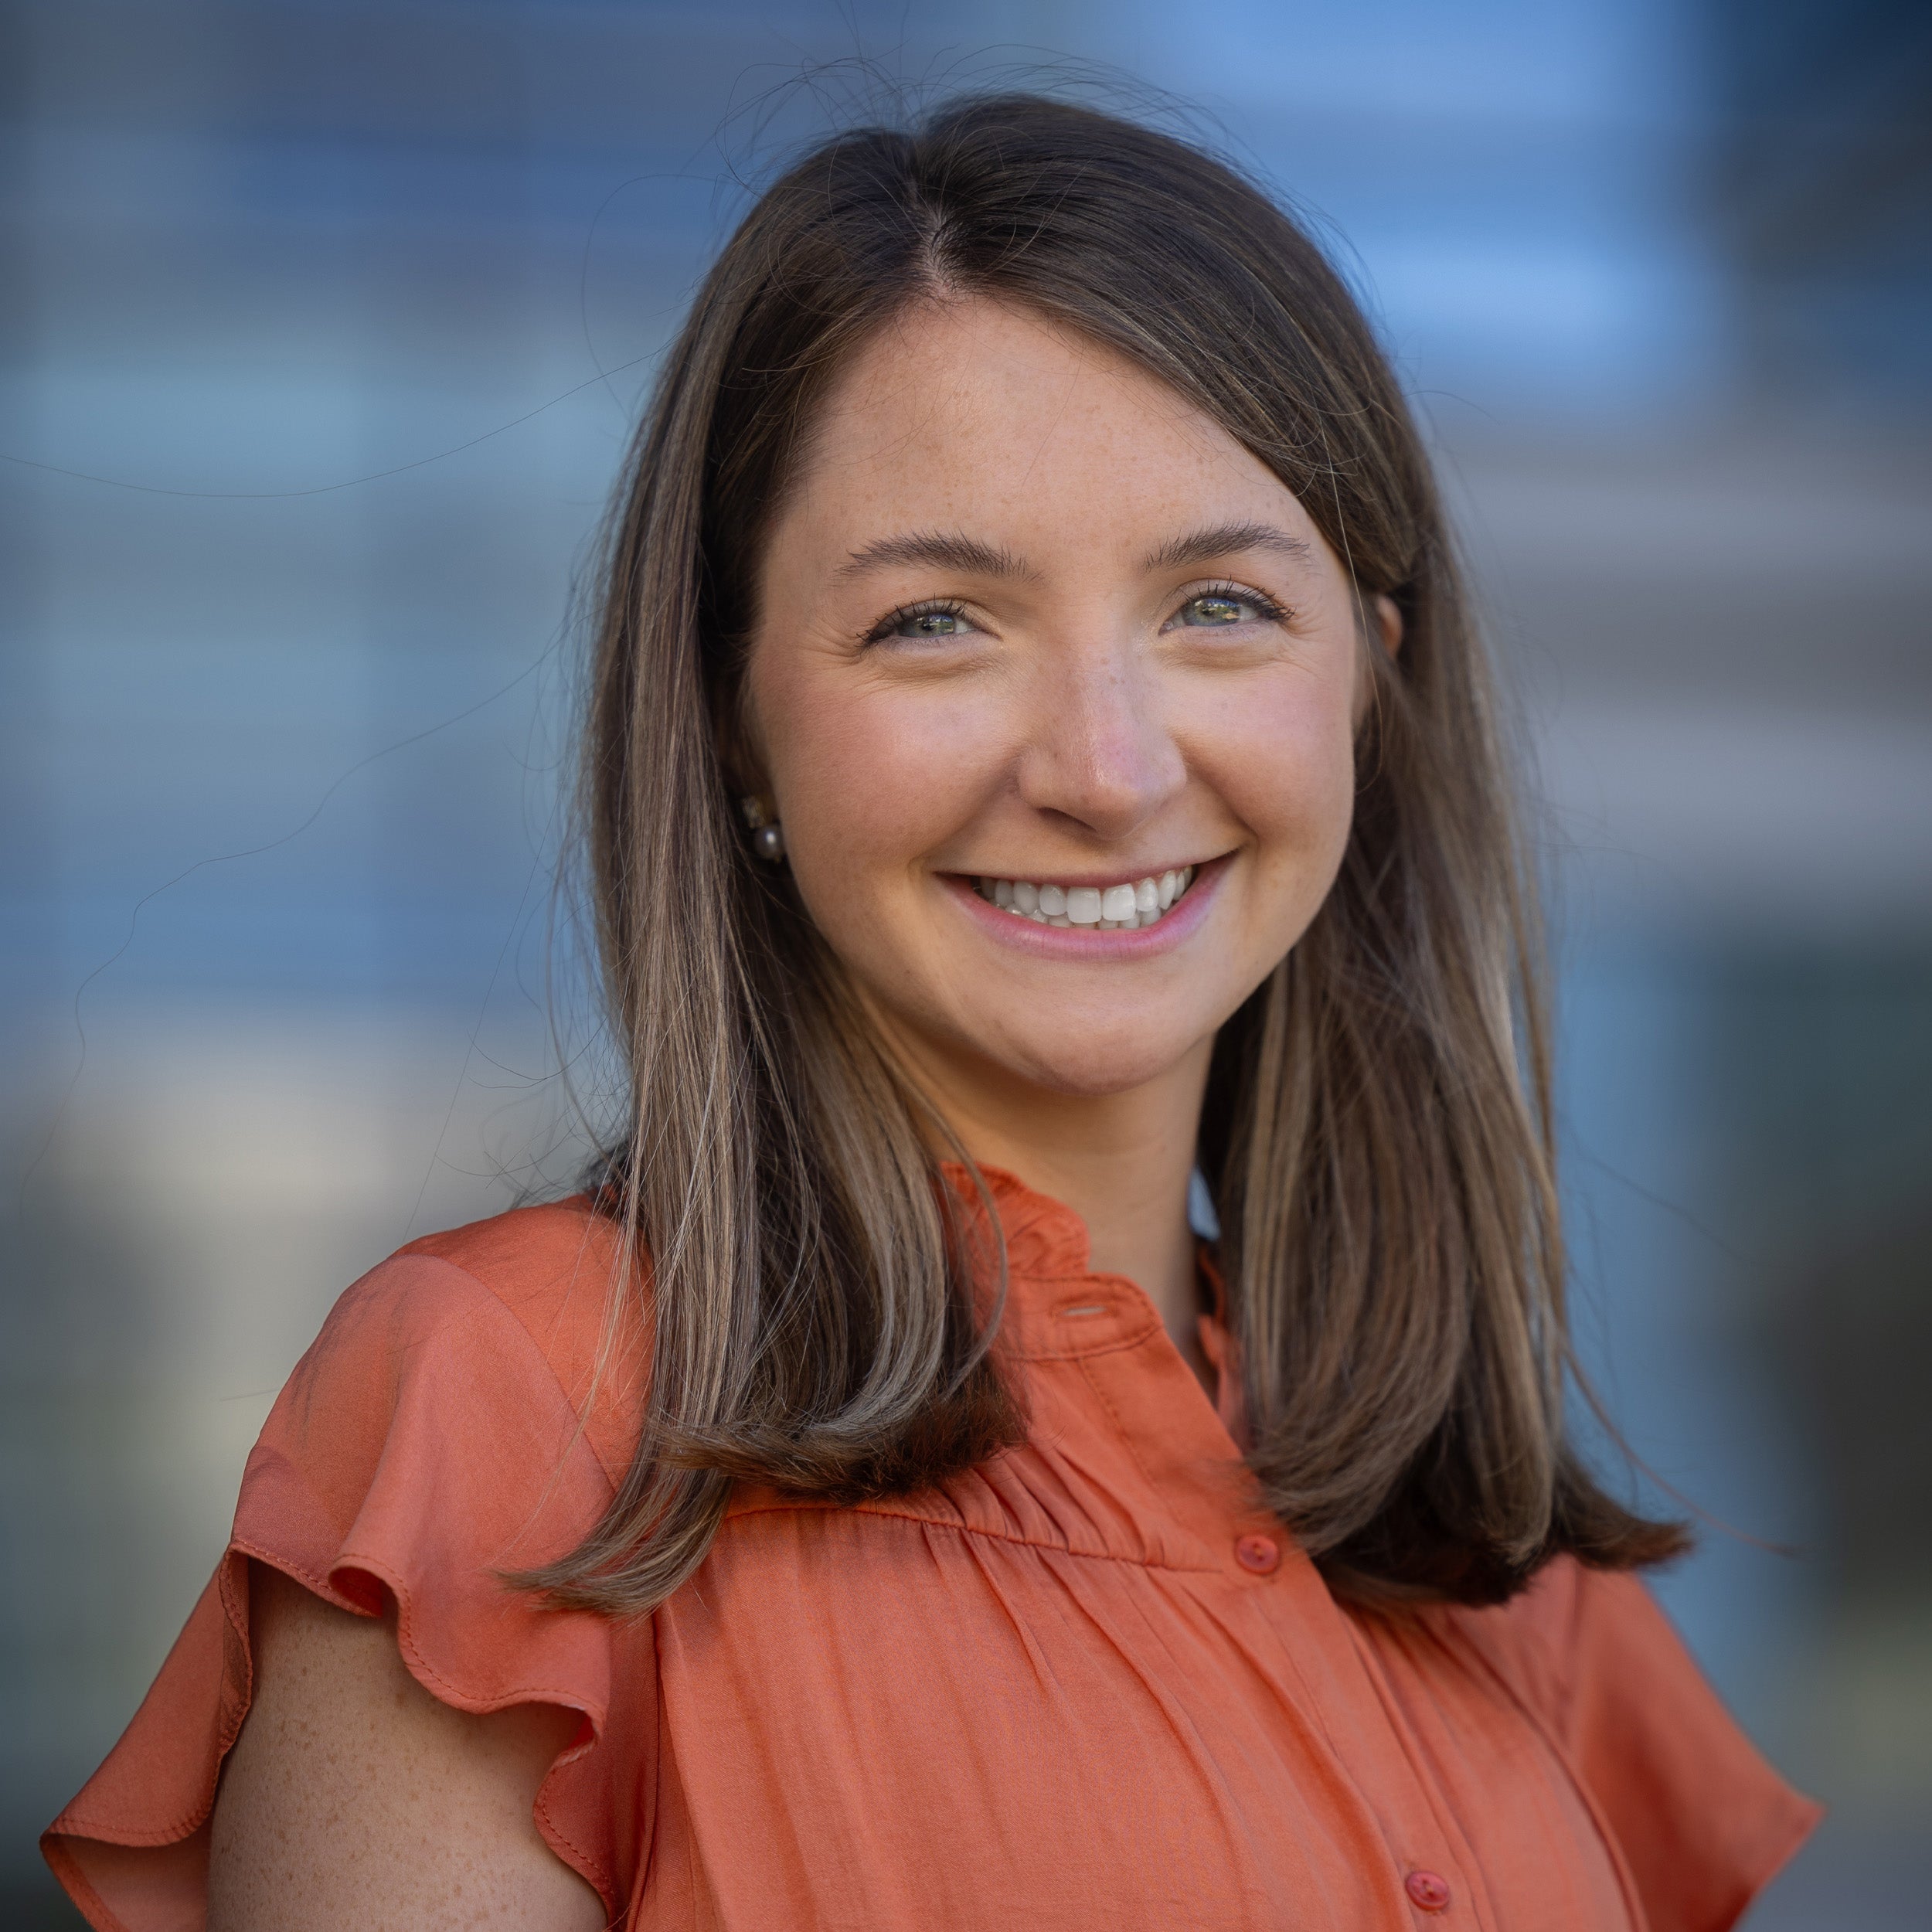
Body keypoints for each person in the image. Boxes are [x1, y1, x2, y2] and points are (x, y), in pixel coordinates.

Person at [45, 94, 1818, 1931]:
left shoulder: (1511, 1572)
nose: (1107, 769)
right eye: (934, 624)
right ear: (734, 716)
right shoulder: (514, 1409)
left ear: (1369, 672)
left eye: (1218, 603)